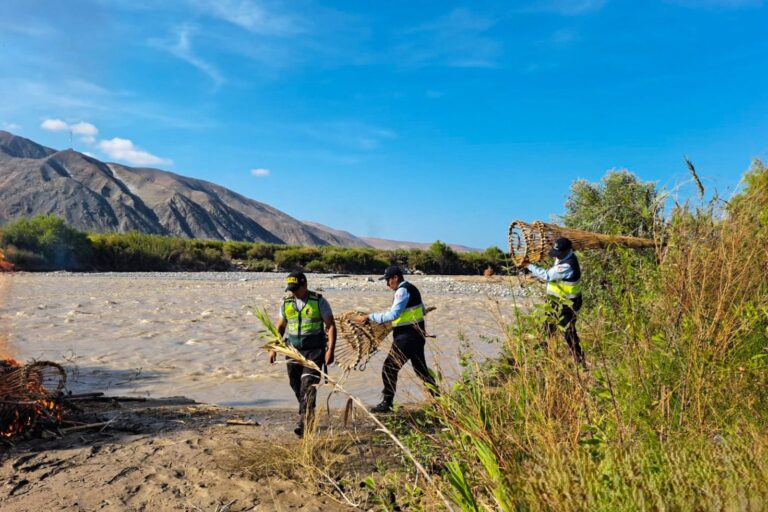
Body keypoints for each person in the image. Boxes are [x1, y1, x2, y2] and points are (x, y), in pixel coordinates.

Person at [356, 265, 437, 413]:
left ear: (395, 278)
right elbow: (421, 310)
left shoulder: (402, 291)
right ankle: (439, 400)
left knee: (389, 368)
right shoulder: (413, 288)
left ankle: (387, 402)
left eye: (388, 280)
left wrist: (370, 317)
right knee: (421, 371)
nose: (387, 284)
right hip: (417, 337)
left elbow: (393, 315)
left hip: (406, 338)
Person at [270, 271, 336, 437]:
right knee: (295, 384)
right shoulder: (286, 303)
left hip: (314, 351)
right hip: (292, 350)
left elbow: (330, 326)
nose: (294, 292)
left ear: (305, 285)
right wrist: (273, 347)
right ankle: (309, 412)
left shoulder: (318, 301)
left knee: (308, 384)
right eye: (291, 289)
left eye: (296, 289)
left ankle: (304, 420)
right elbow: (281, 327)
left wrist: (330, 350)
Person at [526, 237, 585, 366]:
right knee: (547, 328)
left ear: (567, 251)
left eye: (558, 253)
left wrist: (528, 265)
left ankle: (580, 361)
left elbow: (547, 275)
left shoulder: (567, 265)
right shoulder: (563, 257)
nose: (556, 256)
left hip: (568, 304)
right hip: (556, 302)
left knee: (568, 331)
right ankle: (545, 359)